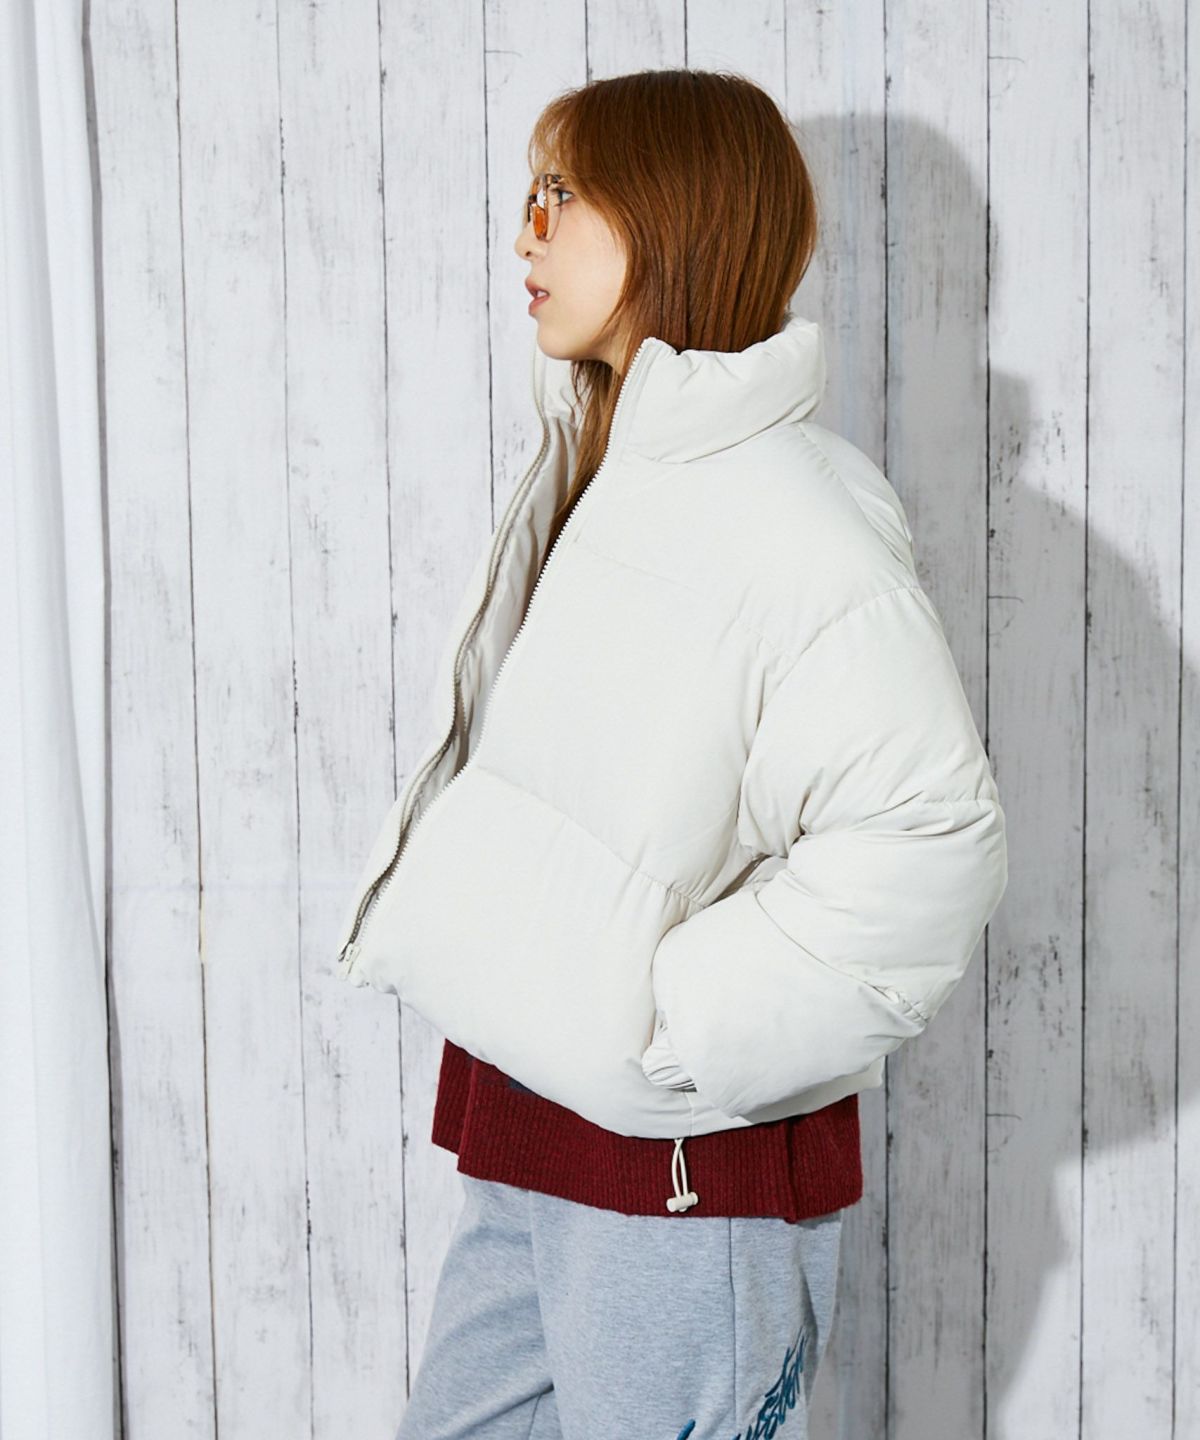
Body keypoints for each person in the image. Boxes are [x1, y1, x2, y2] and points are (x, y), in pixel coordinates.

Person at [334, 68, 1008, 1438]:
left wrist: (678, 1030)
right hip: (531, 1128)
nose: (522, 234)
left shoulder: (799, 516)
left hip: (680, 1179)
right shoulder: (601, 470)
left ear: (669, 218)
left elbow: (928, 838)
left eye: (560, 197)